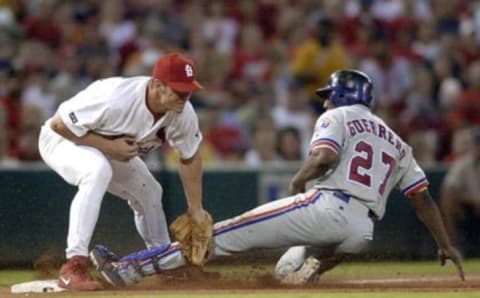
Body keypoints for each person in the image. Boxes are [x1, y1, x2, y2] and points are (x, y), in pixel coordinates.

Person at [90, 69, 464, 287]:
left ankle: (127, 270)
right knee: (288, 271)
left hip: (327, 206)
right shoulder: (397, 141)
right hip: (362, 231)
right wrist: (444, 243)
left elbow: (324, 156)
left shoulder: (341, 116)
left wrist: (299, 180)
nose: (325, 102)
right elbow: (422, 198)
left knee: (219, 234)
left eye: (329, 95)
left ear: (342, 94)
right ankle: (308, 272)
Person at [38, 52, 211, 291]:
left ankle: (166, 263)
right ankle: (73, 265)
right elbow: (59, 125)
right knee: (97, 170)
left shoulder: (183, 112)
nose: (184, 96)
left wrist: (196, 209)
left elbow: (189, 156)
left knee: (149, 191)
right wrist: (109, 146)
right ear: (156, 84)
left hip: (108, 147)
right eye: (178, 90)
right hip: (62, 140)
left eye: (188, 90)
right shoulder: (115, 97)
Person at [440, 126, 480, 257]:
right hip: (469, 210)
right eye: (478, 143)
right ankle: (452, 247)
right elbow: (449, 190)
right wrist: (473, 200)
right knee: (448, 202)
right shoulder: (463, 164)